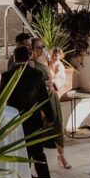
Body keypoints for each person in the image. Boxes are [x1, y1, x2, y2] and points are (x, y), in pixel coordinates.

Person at [0, 44, 55, 178]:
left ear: (14, 58)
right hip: (33, 123)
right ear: (29, 57)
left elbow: (1, 101)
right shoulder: (37, 74)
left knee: (17, 155)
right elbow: (44, 98)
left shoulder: (6, 75)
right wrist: (50, 117)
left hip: (14, 123)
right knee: (38, 155)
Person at [31, 38, 70, 169]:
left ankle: (62, 155)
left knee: (57, 125)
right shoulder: (31, 64)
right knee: (39, 130)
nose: (42, 49)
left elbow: (60, 75)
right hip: (39, 100)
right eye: (38, 47)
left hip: (51, 97)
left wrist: (52, 82)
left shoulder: (48, 59)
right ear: (32, 49)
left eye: (43, 46)